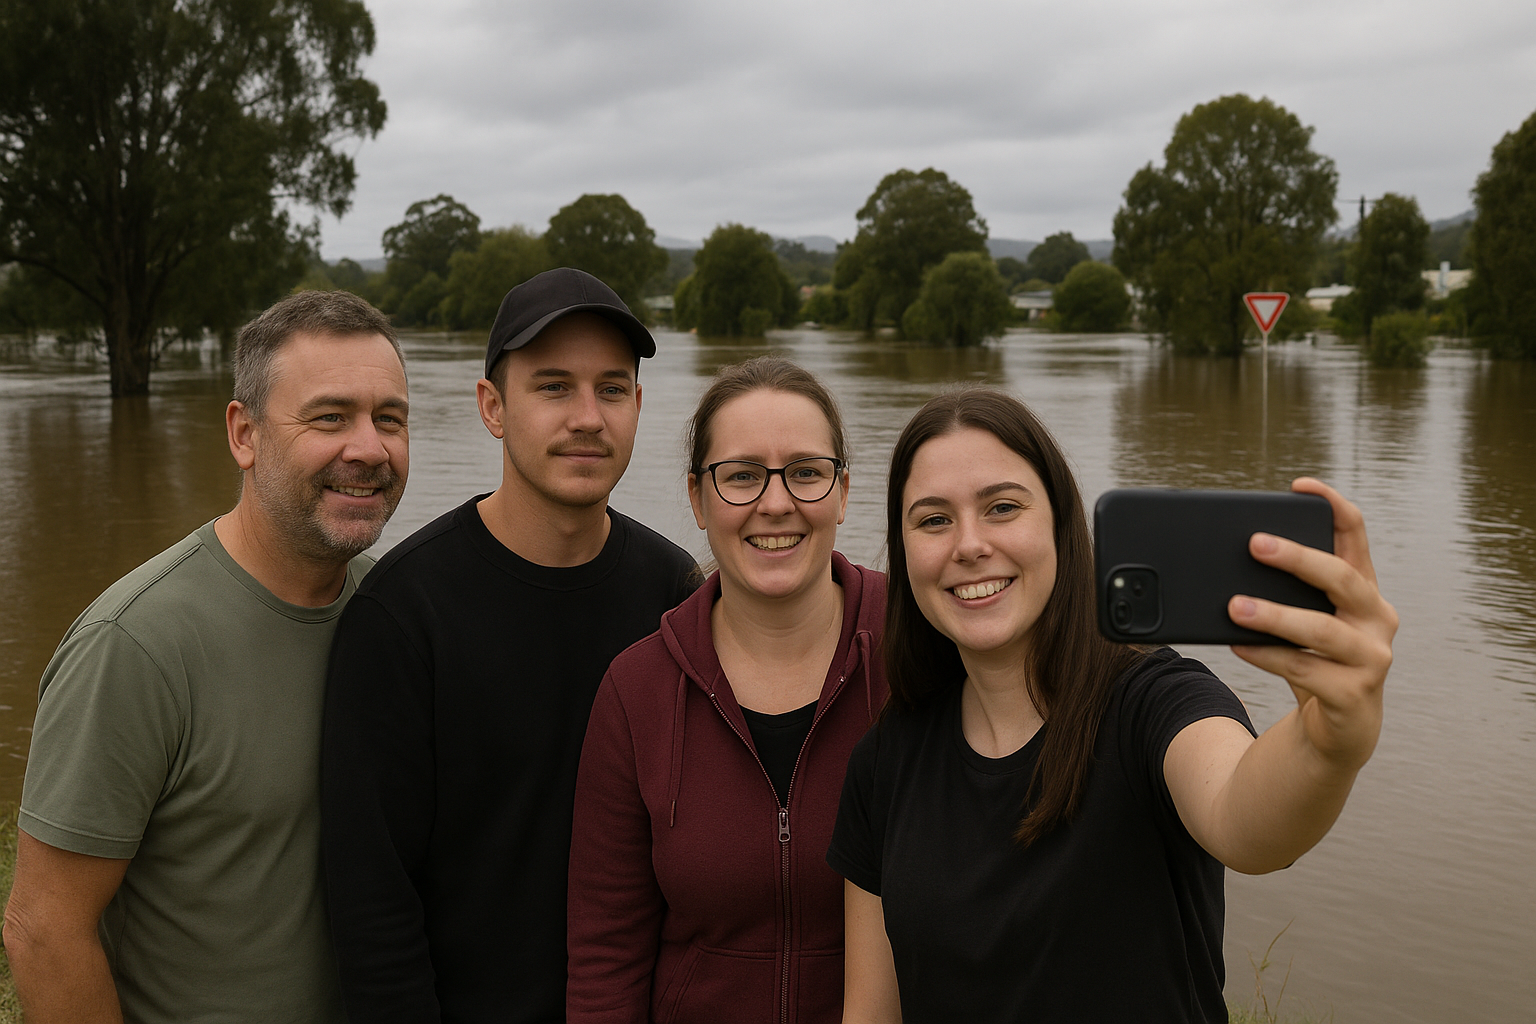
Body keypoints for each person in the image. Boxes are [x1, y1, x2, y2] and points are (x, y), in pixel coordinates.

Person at [829, 386, 1398, 1024]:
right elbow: (872, 1013)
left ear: (1061, 526)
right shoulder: (885, 763)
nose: (968, 544)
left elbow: (1245, 820)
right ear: (903, 553)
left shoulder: (1150, 702)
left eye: (1003, 508)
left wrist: (1326, 742)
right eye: (933, 519)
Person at [2, 290, 409, 1024]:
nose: (369, 448)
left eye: (389, 418)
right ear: (243, 434)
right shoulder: (134, 646)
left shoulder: (396, 610)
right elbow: (43, 929)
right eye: (329, 416)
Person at [322, 268, 697, 1024]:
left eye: (612, 389)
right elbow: (372, 906)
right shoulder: (403, 615)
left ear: (638, 406)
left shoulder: (675, 596)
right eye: (553, 387)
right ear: (493, 407)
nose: (588, 417)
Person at [567, 356, 889, 1024]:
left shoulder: (920, 650)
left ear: (844, 490)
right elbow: (606, 957)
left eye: (805, 472)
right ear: (697, 499)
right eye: (740, 476)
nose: (776, 503)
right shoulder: (638, 691)